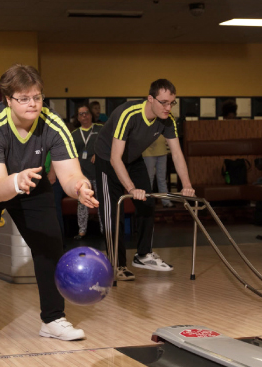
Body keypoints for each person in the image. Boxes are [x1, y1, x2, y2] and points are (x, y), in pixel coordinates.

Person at [0, 64, 98, 348]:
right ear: (8, 99)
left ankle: (53, 320)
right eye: (24, 98)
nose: (32, 104)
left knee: (49, 244)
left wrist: (79, 186)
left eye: (37, 97)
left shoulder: (53, 124)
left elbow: (70, 173)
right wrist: (15, 181)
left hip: (28, 179)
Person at [94, 79, 195, 280]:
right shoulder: (128, 114)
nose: (168, 108)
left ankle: (143, 254)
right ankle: (117, 265)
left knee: (147, 202)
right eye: (164, 102)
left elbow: (176, 154)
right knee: (113, 214)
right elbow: (115, 158)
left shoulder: (167, 120)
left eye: (172, 103)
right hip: (107, 161)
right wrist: (131, 188)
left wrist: (187, 185)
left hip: (133, 159)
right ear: (150, 99)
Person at [71, 104, 104, 239]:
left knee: (101, 202)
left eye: (86, 113)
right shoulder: (74, 134)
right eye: (81, 114)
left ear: (91, 115)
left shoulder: (100, 129)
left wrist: (99, 153)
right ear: (78, 118)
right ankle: (82, 231)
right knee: (82, 203)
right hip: (82, 175)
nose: (84, 116)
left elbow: (110, 144)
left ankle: (104, 230)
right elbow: (70, 155)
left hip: (98, 173)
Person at [142, 135, 172, 208]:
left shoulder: (163, 123)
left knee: (162, 178)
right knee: (149, 178)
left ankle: (166, 201)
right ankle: (147, 202)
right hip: (148, 152)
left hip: (162, 151)